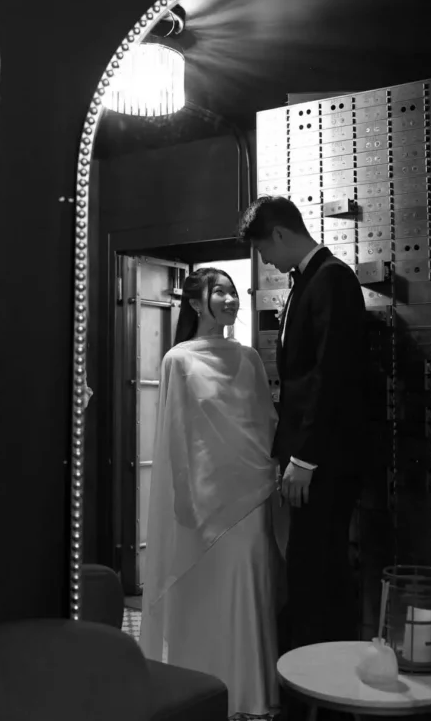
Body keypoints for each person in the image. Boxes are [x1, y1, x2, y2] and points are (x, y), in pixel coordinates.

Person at [139, 267, 288, 719]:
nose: (229, 299)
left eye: (232, 291)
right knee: (201, 598)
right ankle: (199, 690)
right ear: (195, 301)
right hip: (202, 501)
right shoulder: (178, 360)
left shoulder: (249, 359)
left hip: (251, 496)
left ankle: (250, 698)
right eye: (218, 291)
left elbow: (266, 425)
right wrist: (183, 496)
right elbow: (175, 435)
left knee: (247, 592)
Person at [237, 195, 369, 655]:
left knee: (319, 567)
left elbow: (332, 375)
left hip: (323, 458)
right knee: (312, 565)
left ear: (278, 234)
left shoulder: (332, 279)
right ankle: (312, 670)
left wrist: (304, 458)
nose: (265, 261)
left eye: (262, 250)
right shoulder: (308, 281)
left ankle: (322, 674)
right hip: (311, 454)